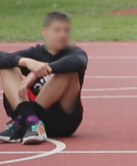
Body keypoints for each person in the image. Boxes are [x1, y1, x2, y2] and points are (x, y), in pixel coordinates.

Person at [0, 12, 87, 145]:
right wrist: (26, 62)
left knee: (69, 71)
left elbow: (79, 62)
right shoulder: (34, 53)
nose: (62, 34)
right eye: (57, 30)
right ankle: (31, 121)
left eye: (66, 30)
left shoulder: (74, 53)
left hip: (61, 121)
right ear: (44, 32)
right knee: (7, 66)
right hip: (27, 117)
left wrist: (36, 73)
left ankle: (28, 122)